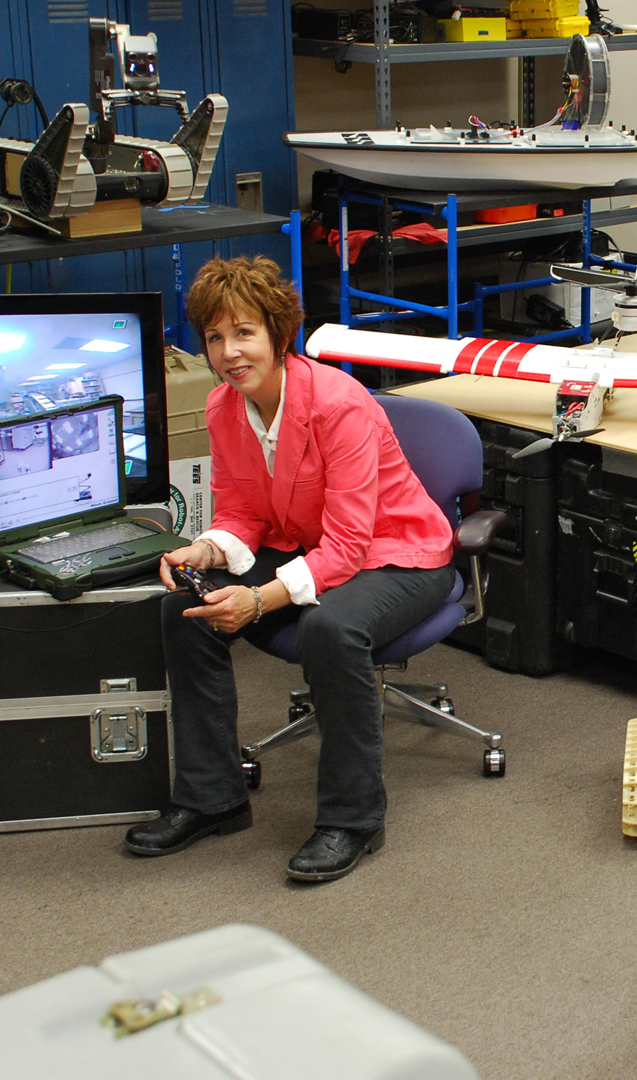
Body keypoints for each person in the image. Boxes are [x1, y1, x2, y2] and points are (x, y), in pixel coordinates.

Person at [123, 255, 456, 882]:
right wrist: (210, 549)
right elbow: (245, 509)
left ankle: (353, 820)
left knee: (328, 629)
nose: (228, 352)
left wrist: (260, 600)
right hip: (313, 545)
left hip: (401, 553)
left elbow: (352, 543)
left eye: (244, 333)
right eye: (215, 338)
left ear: (280, 336)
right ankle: (210, 797)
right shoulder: (225, 408)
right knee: (183, 608)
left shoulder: (339, 405)